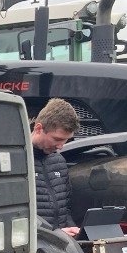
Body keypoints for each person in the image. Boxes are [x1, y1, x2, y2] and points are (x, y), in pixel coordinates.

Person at [31, 98, 80, 237]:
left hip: (59, 242)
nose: (61, 146)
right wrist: (53, 234)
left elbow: (66, 208)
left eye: (66, 140)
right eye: (57, 139)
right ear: (39, 128)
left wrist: (72, 230)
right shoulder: (16, 161)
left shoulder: (59, 161)